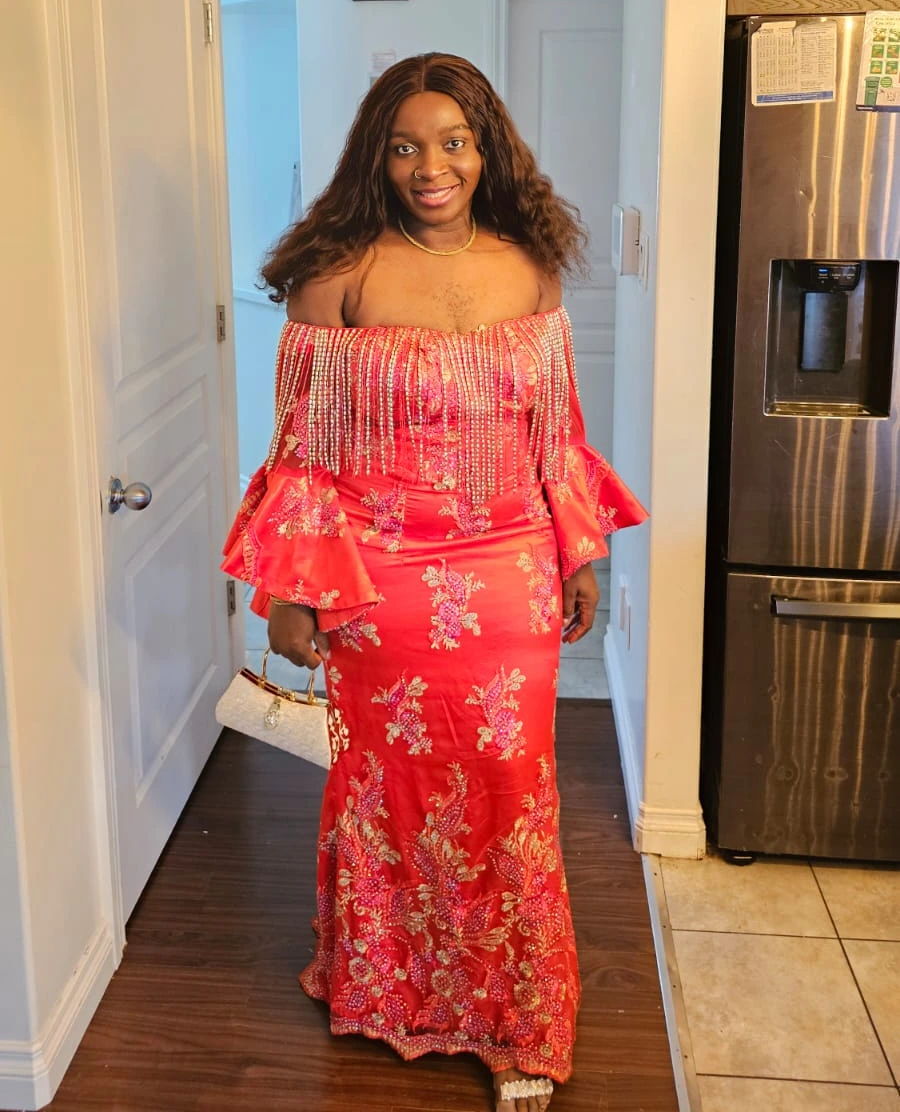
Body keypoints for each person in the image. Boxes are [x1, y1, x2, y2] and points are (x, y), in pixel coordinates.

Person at [220, 52, 647, 1112]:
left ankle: (515, 1017)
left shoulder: (530, 267)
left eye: (453, 143)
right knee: (388, 784)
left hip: (509, 573)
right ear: (377, 155)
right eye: (406, 146)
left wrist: (581, 550)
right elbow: (302, 456)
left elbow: (555, 434)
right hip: (380, 581)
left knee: (511, 786)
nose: (431, 167)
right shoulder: (337, 274)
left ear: (486, 150)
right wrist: (290, 591)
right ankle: (390, 987)